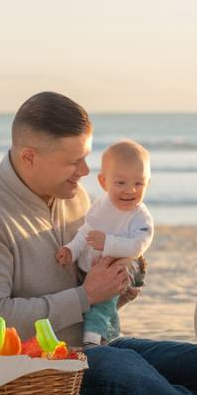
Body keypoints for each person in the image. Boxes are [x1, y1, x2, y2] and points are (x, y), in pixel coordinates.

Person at [0, 91, 197, 395]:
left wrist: (116, 289)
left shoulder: (75, 197)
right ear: (29, 156)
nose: (85, 170)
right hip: (32, 379)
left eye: (87, 157)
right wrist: (85, 295)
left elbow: (87, 287)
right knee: (114, 368)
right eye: (73, 161)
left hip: (93, 346)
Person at [57, 139, 154, 346]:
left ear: (148, 184)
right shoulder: (100, 206)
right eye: (121, 183)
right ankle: (110, 333)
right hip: (92, 268)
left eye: (139, 183)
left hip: (122, 266)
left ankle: (93, 340)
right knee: (99, 302)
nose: (130, 190)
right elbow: (86, 232)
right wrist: (71, 251)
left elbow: (138, 246)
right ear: (103, 182)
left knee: (101, 304)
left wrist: (108, 243)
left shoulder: (140, 217)